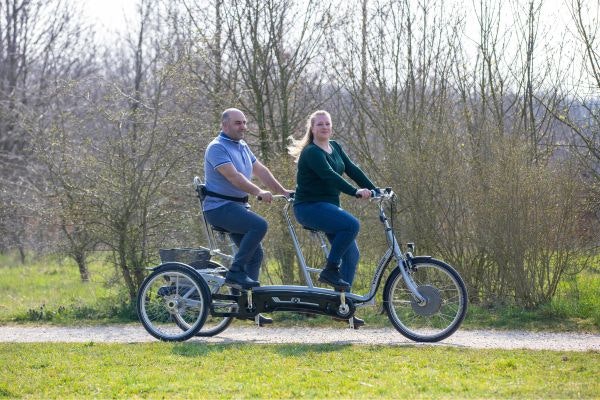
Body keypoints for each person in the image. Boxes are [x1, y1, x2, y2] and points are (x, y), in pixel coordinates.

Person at [289, 110, 377, 327]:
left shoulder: (335, 146)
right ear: (312, 128)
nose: (324, 127)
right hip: (308, 208)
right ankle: (330, 269)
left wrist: (375, 189)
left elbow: (351, 169)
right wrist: (355, 192)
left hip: (328, 208)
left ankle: (342, 308)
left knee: (352, 255)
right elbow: (331, 175)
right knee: (352, 224)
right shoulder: (312, 153)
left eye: (327, 124)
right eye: (320, 124)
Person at [203, 108, 291, 301]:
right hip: (219, 208)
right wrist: (258, 192)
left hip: (237, 208)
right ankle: (235, 272)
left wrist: (283, 191)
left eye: (244, 122)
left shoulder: (241, 145)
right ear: (224, 125)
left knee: (256, 254)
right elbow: (234, 177)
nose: (243, 127)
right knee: (259, 225)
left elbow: (261, 170)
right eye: (238, 123)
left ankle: (246, 303)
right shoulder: (217, 147)